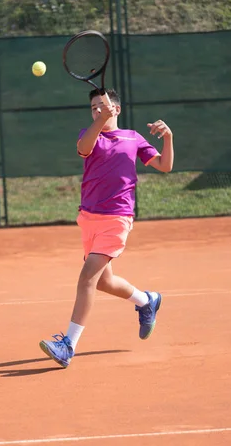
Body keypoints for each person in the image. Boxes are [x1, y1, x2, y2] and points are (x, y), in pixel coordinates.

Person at [39, 88, 174, 368]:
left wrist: (169, 138)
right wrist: (100, 120)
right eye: (93, 108)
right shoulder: (89, 135)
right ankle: (146, 300)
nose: (98, 110)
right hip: (88, 218)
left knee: (87, 278)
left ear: (117, 109)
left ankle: (68, 346)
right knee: (103, 282)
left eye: (103, 105)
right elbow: (84, 149)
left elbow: (164, 165)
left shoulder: (133, 138)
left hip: (117, 218)